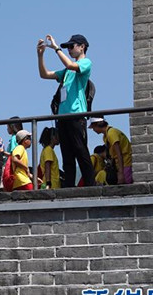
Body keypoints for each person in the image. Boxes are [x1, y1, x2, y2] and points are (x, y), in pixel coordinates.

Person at [37, 34, 95, 187]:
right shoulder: (66, 71)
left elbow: (71, 65)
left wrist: (56, 48)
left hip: (76, 115)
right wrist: (40, 55)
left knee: (81, 152)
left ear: (82, 47)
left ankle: (91, 184)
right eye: (67, 47)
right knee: (67, 155)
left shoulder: (86, 63)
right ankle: (69, 187)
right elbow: (44, 74)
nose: (69, 49)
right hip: (62, 117)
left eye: (71, 46)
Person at [88, 118, 134, 184]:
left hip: (125, 163)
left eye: (93, 127)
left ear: (97, 125)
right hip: (119, 164)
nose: (93, 130)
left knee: (125, 183)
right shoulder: (106, 136)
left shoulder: (111, 133)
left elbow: (119, 153)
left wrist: (121, 172)